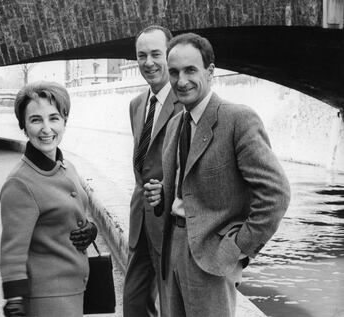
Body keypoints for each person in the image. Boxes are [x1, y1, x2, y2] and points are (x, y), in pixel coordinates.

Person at [144, 33, 291, 317]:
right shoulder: (176, 124)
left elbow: (276, 195)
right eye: (173, 72)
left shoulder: (237, 120)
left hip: (212, 257)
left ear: (210, 72)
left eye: (190, 70)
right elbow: (189, 185)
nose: (181, 81)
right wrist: (164, 192)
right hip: (172, 248)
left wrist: (236, 249)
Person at [0, 81, 98, 317]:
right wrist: (14, 300)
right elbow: (12, 250)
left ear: (64, 121)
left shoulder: (67, 167)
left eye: (54, 118)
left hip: (76, 290)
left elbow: (73, 211)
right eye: (36, 120)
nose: (46, 129)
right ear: (23, 126)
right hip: (47, 300)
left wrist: (91, 229)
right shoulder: (19, 183)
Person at [123, 25, 182, 317]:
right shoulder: (136, 105)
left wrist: (168, 190)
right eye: (141, 55)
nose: (148, 62)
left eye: (156, 54)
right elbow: (142, 167)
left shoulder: (186, 102)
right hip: (140, 222)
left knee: (171, 305)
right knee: (134, 304)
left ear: (169, 55)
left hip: (170, 225)